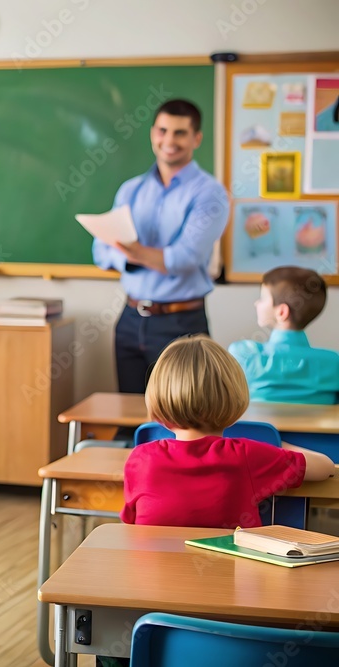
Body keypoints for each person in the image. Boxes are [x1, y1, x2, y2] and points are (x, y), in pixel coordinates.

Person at [122, 335, 334, 528]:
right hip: (232, 570)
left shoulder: (140, 459)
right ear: (233, 399)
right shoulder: (246, 455)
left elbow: (130, 524)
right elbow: (325, 467)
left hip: (153, 570)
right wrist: (280, 445)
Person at [92, 99, 229, 395]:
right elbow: (99, 253)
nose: (169, 141)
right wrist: (138, 256)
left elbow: (183, 259)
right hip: (129, 318)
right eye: (163, 131)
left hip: (181, 323)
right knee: (129, 417)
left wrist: (129, 251)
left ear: (196, 138)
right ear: (153, 132)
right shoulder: (131, 189)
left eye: (180, 133)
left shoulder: (210, 193)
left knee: (185, 420)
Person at [229, 266, 339, 404]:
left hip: (260, 426)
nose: (256, 303)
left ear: (282, 312)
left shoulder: (244, 354)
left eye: (262, 298)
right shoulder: (334, 363)